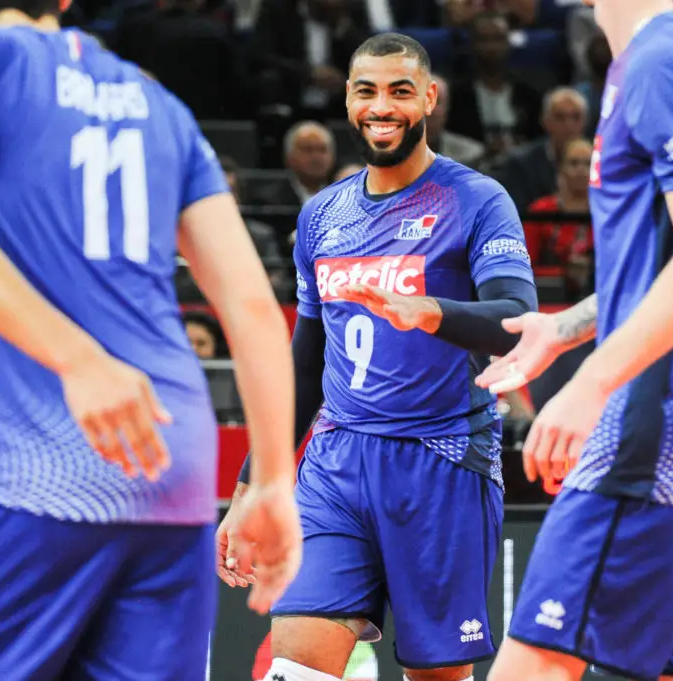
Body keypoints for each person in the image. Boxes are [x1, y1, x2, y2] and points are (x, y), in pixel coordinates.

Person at [0, 2, 304, 679]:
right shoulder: (160, 105)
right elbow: (252, 308)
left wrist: (79, 360)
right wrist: (273, 480)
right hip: (173, 467)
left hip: (42, 466)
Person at [219, 33, 538, 681]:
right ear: (348, 99)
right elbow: (305, 363)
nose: (382, 106)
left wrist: (432, 311)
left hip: (441, 463)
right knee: (294, 666)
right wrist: (253, 484)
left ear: (429, 98)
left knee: (436, 676)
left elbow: (516, 321)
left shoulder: (477, 200)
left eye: (400, 91)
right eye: (367, 91)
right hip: (337, 465)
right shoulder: (321, 215)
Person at [477, 2, 673, 681]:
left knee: (535, 664)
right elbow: (671, 259)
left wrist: (591, 384)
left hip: (658, 429)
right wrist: (566, 327)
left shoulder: (663, 59)